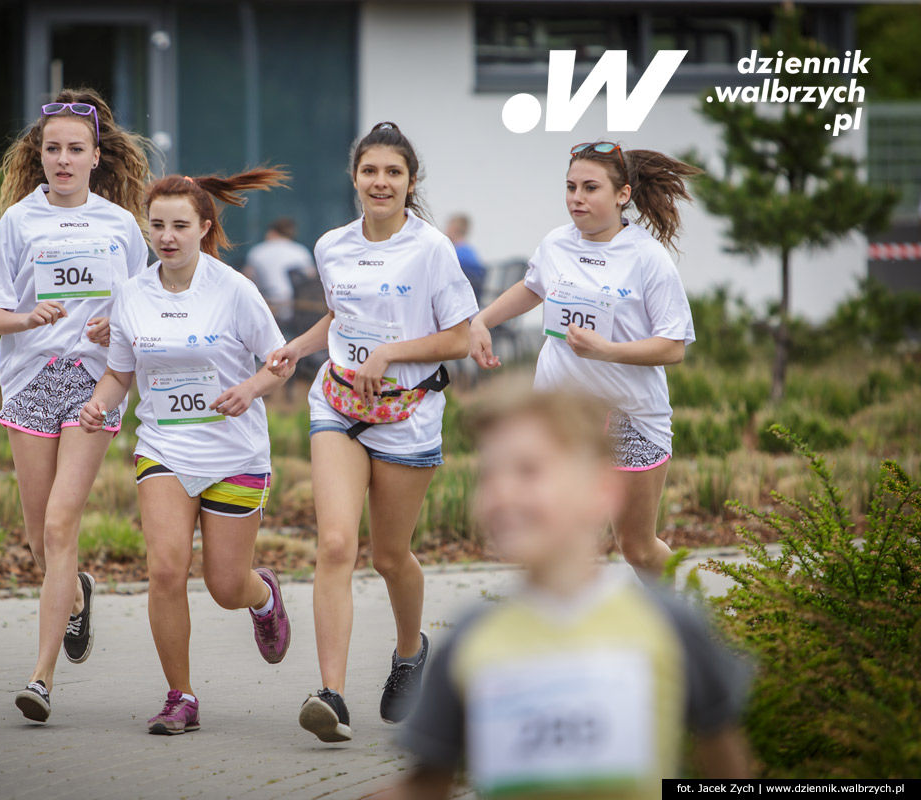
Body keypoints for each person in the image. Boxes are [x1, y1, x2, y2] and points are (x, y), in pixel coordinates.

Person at [383, 390, 750, 799]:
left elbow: (728, 765)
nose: (502, 493)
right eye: (489, 475)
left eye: (528, 471)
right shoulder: (470, 639)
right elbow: (425, 787)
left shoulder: (671, 626)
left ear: (601, 492)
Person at [267, 122, 479, 742]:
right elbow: (343, 313)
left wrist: (389, 354)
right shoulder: (331, 245)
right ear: (354, 179)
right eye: (370, 171)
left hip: (408, 412)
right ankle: (330, 694)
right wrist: (295, 349)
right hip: (337, 403)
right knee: (335, 545)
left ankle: (410, 651)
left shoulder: (432, 248)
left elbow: (460, 338)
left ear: (411, 183)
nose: (380, 182)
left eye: (393, 172)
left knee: (389, 556)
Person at [79, 168, 292, 736]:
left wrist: (249, 389)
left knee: (226, 587)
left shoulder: (234, 290)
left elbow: (280, 361)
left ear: (204, 227)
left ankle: (261, 594)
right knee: (166, 569)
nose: (167, 236)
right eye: (157, 226)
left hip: (234, 453)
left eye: (179, 225)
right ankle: (181, 697)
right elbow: (119, 375)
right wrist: (98, 405)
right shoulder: (131, 294)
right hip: (165, 448)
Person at [0, 88, 152, 723]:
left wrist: (116, 330)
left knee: (59, 525)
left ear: (96, 156)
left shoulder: (121, 225)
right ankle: (74, 594)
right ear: (40, 154)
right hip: (29, 383)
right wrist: (27, 316)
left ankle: (41, 678)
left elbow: (142, 304)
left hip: (93, 383)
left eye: (75, 149)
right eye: (52, 149)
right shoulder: (18, 224)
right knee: (38, 538)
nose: (63, 159)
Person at [470, 141, 699, 579]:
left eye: (590, 187)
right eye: (571, 187)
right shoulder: (556, 243)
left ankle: (683, 619)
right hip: (561, 414)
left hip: (632, 420)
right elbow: (532, 288)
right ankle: (559, 631)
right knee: (552, 532)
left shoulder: (648, 259)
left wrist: (605, 349)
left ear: (622, 195)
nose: (577, 197)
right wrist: (482, 320)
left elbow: (673, 347)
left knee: (637, 548)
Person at [243, 216, 315, 325]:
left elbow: (246, 279)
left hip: (267, 308)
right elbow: (312, 278)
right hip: (296, 309)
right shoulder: (300, 251)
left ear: (272, 233)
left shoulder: (257, 251)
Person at [445, 214, 485, 302]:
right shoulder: (470, 251)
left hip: (460, 298)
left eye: (448, 227)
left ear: (455, 229)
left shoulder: (456, 254)